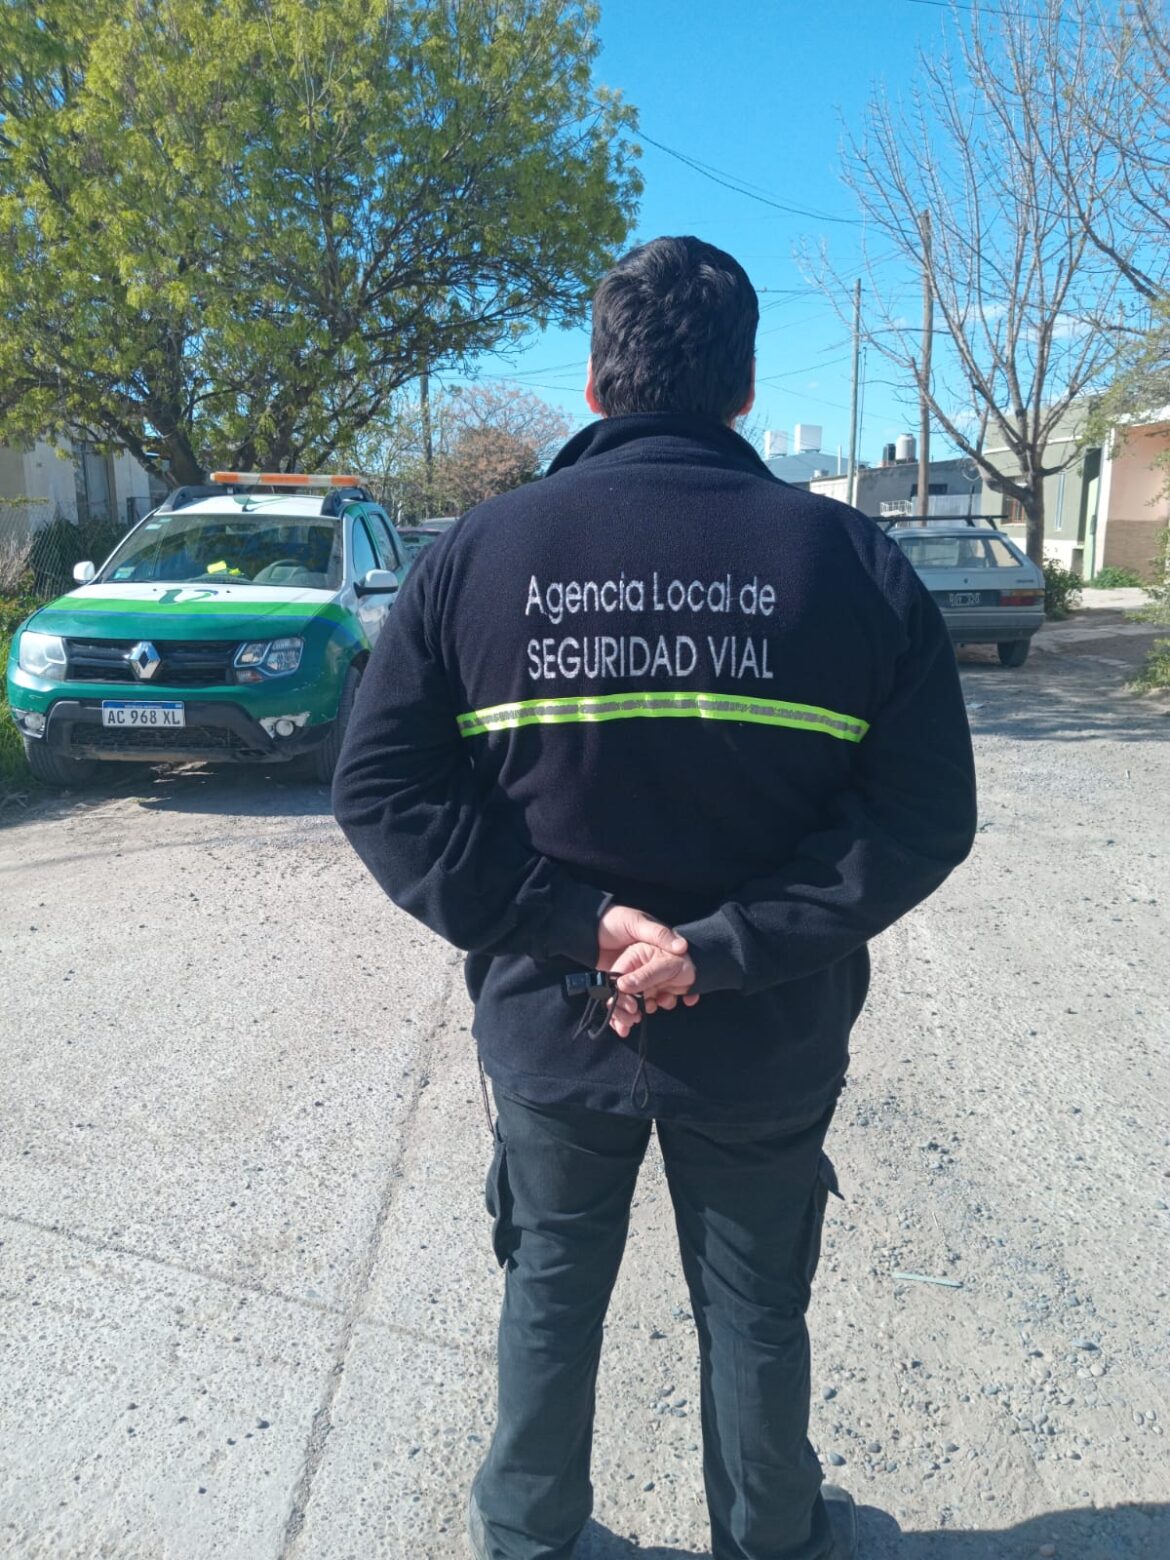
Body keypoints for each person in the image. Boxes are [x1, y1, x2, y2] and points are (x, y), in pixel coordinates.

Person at [332, 235, 977, 1560]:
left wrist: (581, 928)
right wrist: (721, 951)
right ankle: (772, 1536)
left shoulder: (478, 553)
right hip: (763, 1034)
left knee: (551, 1289)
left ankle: (528, 1537)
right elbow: (920, 819)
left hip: (552, 1025)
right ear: (742, 390)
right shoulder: (849, 561)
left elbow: (384, 795)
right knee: (752, 1308)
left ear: (590, 379)